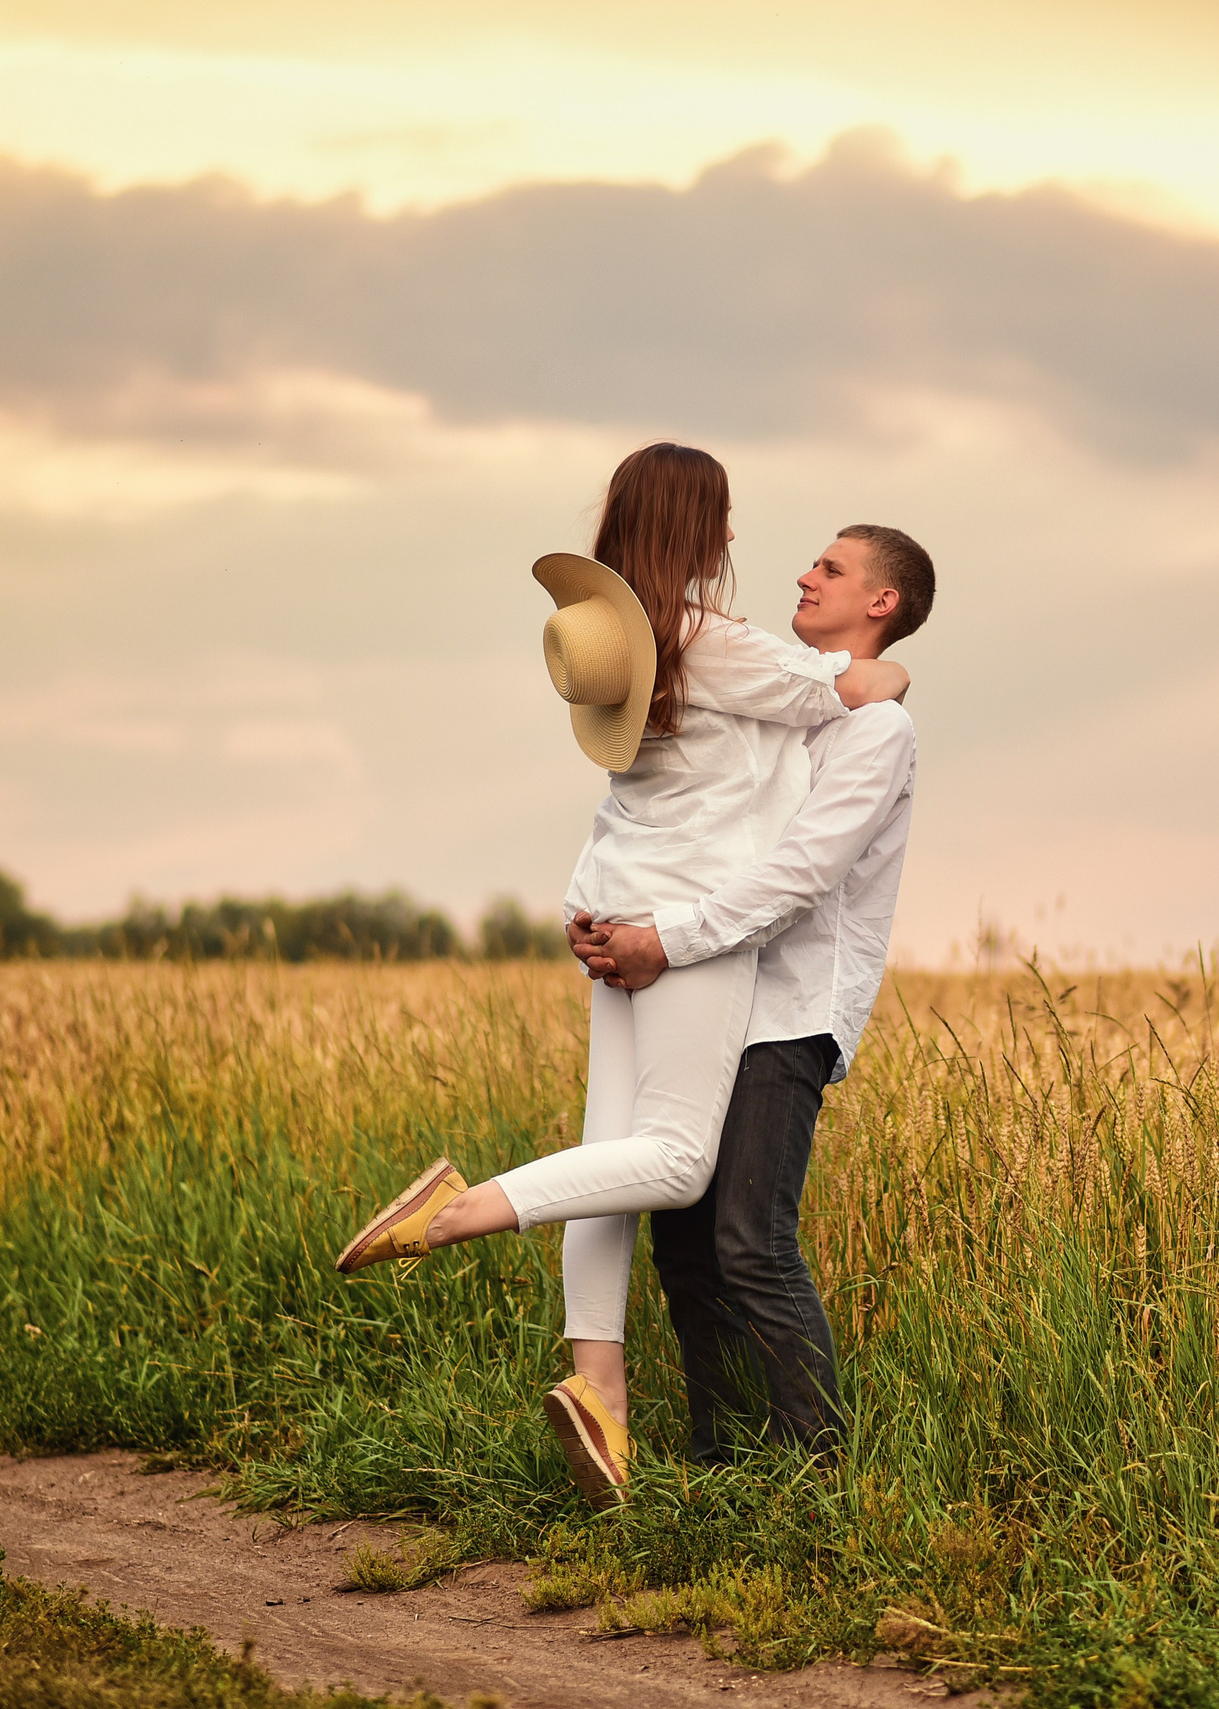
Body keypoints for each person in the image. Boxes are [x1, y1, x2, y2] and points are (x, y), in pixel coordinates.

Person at [331, 443, 908, 1508]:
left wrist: (581, 910)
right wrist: (885, 670)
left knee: (621, 1158)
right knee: (677, 1166)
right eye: (721, 518)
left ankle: (602, 1387)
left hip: (618, 917)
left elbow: (625, 809)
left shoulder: (626, 653)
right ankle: (459, 1209)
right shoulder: (717, 645)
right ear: (693, 526)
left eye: (828, 567)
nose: (747, 544)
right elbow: (868, 689)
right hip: (685, 936)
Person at [568, 522, 932, 1466]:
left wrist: (664, 939)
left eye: (832, 568)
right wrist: (602, 913)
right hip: (706, 999)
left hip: (789, 1012)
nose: (805, 576)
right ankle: (720, 1467)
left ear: (882, 601)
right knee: (685, 1249)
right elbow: (671, 817)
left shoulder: (878, 730)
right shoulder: (782, 709)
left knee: (750, 1239)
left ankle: (816, 1472)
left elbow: (798, 875)